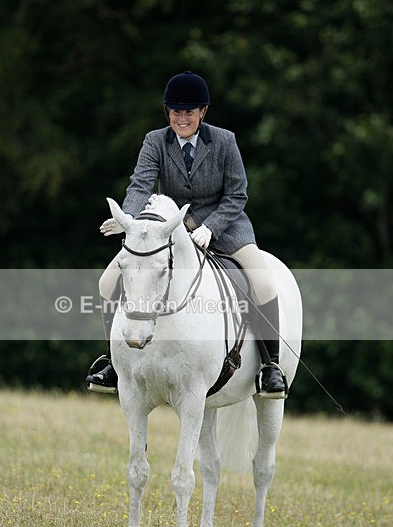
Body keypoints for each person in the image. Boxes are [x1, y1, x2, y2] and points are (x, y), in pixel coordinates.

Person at [86, 71, 287, 397]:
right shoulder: (155, 141)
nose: (182, 118)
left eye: (189, 112)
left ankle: (270, 367)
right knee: (107, 281)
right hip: (170, 229)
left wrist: (210, 227)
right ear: (168, 112)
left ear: (202, 112)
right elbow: (140, 185)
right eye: (176, 112)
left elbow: (237, 195)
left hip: (226, 224)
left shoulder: (224, 141)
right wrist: (129, 221)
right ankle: (112, 362)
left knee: (262, 281)